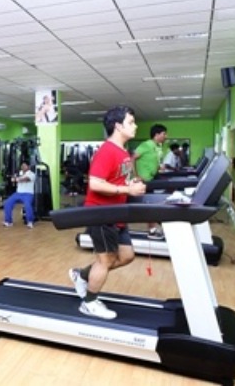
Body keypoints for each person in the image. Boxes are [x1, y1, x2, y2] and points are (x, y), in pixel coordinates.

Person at [69, 105, 147, 319]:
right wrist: (127, 190)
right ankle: (89, 302)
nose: (135, 126)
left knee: (126, 256)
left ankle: (81, 275)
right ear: (118, 126)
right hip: (101, 214)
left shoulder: (123, 152)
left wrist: (133, 183)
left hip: (117, 213)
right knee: (105, 260)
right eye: (131, 122)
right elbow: (95, 184)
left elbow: (120, 178)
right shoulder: (107, 151)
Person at [133, 123, 167, 239]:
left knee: (154, 204)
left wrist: (158, 167)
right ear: (156, 134)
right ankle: (152, 230)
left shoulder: (158, 147)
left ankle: (154, 228)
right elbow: (132, 158)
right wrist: (135, 176)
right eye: (164, 134)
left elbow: (152, 161)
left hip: (152, 179)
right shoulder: (146, 145)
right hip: (143, 181)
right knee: (150, 206)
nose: (165, 136)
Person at [3, 161, 35, 228]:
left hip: (28, 194)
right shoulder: (19, 173)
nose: (23, 167)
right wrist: (13, 179)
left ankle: (30, 222)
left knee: (28, 205)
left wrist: (17, 179)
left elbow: (26, 179)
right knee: (7, 203)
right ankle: (8, 221)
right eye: (22, 166)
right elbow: (13, 180)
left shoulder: (32, 174)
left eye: (24, 166)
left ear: (28, 167)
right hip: (18, 193)